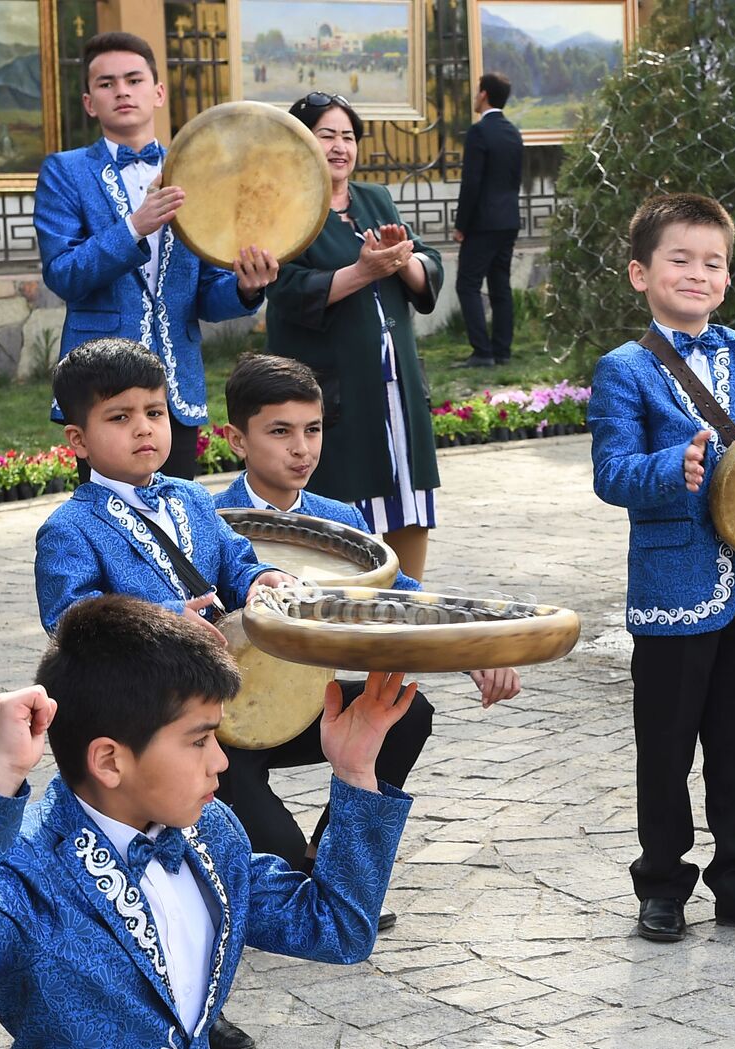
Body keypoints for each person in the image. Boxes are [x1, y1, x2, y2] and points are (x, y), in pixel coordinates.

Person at [0, 594, 416, 1049]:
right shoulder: (28, 866)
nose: (221, 762)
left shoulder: (212, 832)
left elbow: (336, 929)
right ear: (109, 761)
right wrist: (0, 780)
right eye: (199, 741)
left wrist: (355, 774)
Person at [589, 193, 735, 944]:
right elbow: (612, 472)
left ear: (727, 279)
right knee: (666, 742)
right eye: (679, 259)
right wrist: (672, 465)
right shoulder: (624, 367)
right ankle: (661, 883)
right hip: (674, 584)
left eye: (712, 263)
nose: (697, 273)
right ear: (640, 272)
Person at [212, 352, 520, 898]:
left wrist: (477, 648)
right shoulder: (208, 520)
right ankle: (297, 865)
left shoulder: (343, 520)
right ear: (237, 439)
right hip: (225, 727)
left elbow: (404, 601)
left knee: (407, 712)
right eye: (279, 432)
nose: (301, 448)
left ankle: (332, 850)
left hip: (311, 708)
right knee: (278, 864)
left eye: (313, 429)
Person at [34, 32, 278, 481]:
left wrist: (245, 288)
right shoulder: (64, 171)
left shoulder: (200, 172)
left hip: (175, 384)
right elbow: (64, 273)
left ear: (158, 92)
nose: (122, 91)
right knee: (107, 521)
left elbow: (205, 293)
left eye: (133, 79)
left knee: (176, 517)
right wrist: (134, 227)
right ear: (90, 103)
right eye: (106, 84)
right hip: (99, 381)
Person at [265, 92, 443, 582]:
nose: (340, 146)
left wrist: (402, 260)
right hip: (335, 392)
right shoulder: (283, 209)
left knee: (407, 507)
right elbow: (287, 289)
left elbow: (426, 261)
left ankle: (397, 648)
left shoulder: (374, 199)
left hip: (396, 389)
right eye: (326, 135)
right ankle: (341, 636)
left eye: (348, 136)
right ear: (300, 143)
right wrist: (362, 271)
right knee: (340, 522)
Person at [35, 338, 290, 638]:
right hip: (135, 683)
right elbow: (70, 621)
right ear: (78, 439)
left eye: (155, 412)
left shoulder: (193, 497)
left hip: (219, 677)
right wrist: (164, 618)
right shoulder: (68, 528)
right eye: (120, 417)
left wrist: (260, 578)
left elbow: (235, 563)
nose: (144, 428)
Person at [452, 72, 525, 369]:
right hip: (509, 219)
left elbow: (472, 184)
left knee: (467, 285)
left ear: (483, 95)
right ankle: (502, 351)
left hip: (483, 222)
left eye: (476, 90)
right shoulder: (513, 132)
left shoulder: (479, 132)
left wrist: (461, 224)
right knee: (500, 285)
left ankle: (482, 352)